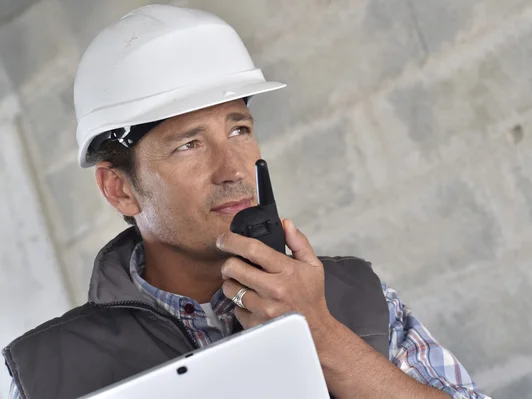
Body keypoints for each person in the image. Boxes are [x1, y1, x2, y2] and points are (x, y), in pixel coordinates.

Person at [3, 5, 490, 399]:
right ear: (119, 188)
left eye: (239, 129)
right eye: (188, 145)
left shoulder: (358, 298)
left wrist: (322, 336)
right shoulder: (45, 373)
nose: (233, 168)